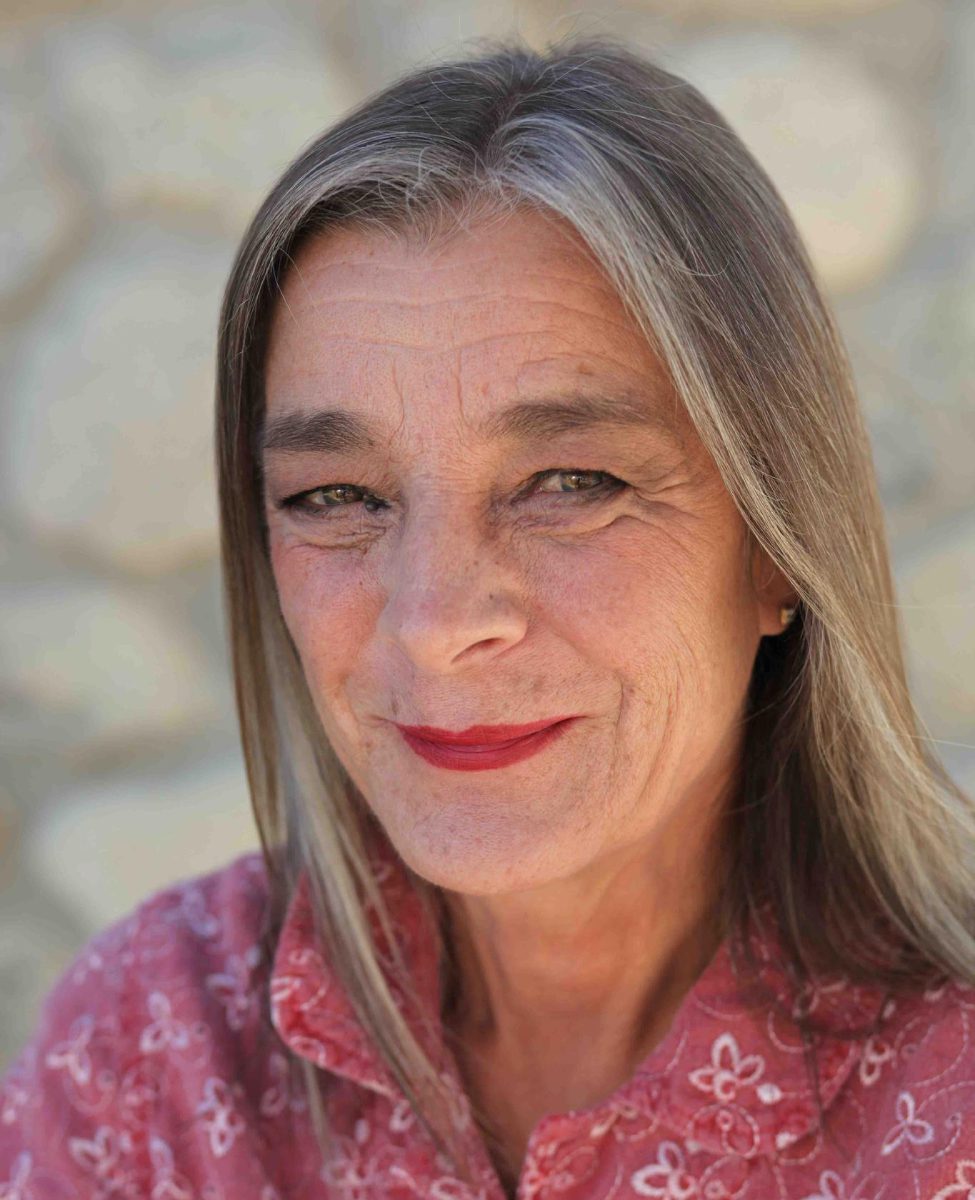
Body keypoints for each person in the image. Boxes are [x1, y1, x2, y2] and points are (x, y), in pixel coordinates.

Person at [2, 35, 974, 1200]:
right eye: (337, 498)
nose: (430, 622)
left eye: (569, 484)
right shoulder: (149, 1046)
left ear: (776, 544)